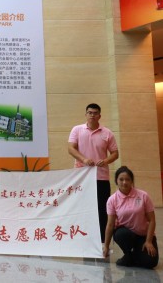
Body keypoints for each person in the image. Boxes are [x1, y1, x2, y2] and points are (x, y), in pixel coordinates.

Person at [68, 103, 119, 242]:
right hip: (81, 178)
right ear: (86, 114)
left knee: (102, 209)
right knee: (82, 208)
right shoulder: (77, 130)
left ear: (99, 116)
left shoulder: (107, 133)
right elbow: (71, 148)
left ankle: (102, 241)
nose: (92, 115)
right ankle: (83, 239)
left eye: (95, 113)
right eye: (90, 112)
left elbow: (115, 153)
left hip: (101, 177)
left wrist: (106, 161)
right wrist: (84, 159)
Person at [103, 166, 158, 268]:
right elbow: (110, 225)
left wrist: (149, 241)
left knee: (150, 263)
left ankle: (130, 257)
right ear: (116, 181)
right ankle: (128, 254)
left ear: (132, 181)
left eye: (127, 179)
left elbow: (152, 220)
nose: (124, 182)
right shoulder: (112, 200)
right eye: (121, 179)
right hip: (126, 234)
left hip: (143, 235)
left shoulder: (143, 196)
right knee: (121, 234)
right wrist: (106, 246)